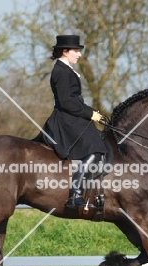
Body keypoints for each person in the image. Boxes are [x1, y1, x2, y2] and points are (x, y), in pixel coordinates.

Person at [43, 35, 108, 209]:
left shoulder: (67, 70)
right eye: (76, 51)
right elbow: (67, 103)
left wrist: (94, 113)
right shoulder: (61, 72)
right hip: (66, 119)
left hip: (73, 116)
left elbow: (75, 101)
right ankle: (75, 194)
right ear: (65, 51)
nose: (79, 54)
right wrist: (90, 114)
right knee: (95, 149)